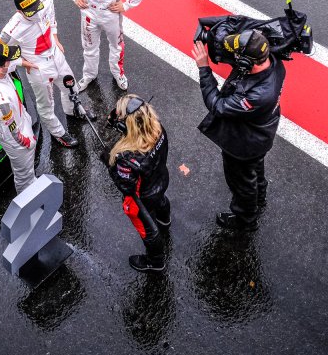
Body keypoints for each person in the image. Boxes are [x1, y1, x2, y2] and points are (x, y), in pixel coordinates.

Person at [193, 29, 286, 232]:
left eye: (238, 58)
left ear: (247, 63)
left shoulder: (257, 96)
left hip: (244, 145)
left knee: (241, 182)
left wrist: (204, 68)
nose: (234, 59)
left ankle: (245, 220)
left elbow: (218, 106)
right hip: (262, 135)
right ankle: (260, 194)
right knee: (255, 169)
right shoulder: (274, 61)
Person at [61, 0, 150, 92]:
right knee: (89, 47)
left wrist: (126, 5)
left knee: (117, 46)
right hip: (88, 12)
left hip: (111, 14)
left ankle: (118, 74)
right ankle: (89, 75)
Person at [0, 0, 79, 149]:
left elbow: (52, 17)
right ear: (19, 11)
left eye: (36, 7)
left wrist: (55, 37)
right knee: (46, 105)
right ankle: (58, 133)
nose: (35, 13)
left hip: (56, 56)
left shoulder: (46, 1)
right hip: (38, 68)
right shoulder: (11, 30)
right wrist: (22, 62)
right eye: (30, 11)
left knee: (72, 87)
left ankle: (74, 110)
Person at [103, 94, 171, 273]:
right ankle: (165, 221)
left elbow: (126, 187)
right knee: (161, 201)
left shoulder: (126, 158)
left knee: (148, 231)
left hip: (142, 199)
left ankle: (155, 262)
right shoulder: (157, 128)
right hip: (161, 180)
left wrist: (110, 164)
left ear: (128, 124)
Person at [0, 42, 39, 194]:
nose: (10, 62)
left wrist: (23, 63)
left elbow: (7, 66)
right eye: (7, 61)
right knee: (24, 175)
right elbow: (12, 132)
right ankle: (28, 196)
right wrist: (27, 143)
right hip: (14, 136)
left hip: (18, 117)